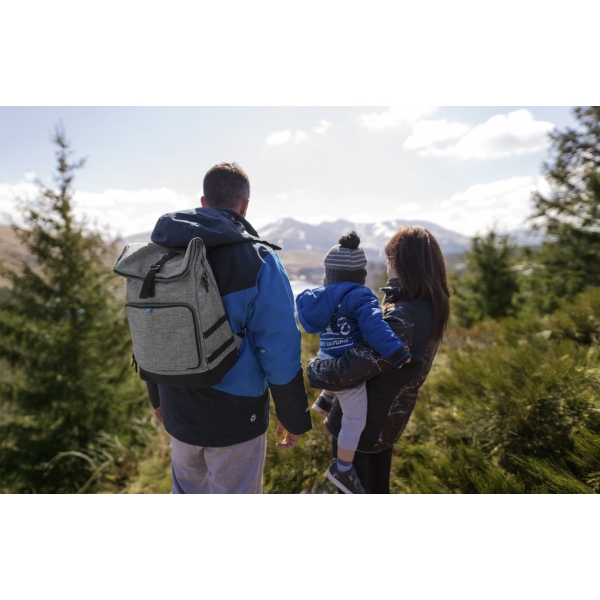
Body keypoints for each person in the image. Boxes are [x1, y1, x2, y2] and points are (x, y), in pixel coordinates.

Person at [145, 162, 312, 494]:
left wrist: (157, 397)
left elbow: (149, 327)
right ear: (244, 205)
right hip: (235, 416)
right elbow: (277, 346)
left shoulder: (162, 254)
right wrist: (293, 416)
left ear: (204, 202)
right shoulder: (259, 259)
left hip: (176, 405)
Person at [307, 225, 450, 494]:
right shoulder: (427, 306)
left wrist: (313, 369)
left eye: (389, 259)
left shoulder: (402, 316)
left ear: (401, 263)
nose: (386, 266)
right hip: (386, 422)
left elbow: (349, 370)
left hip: (363, 427)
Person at [296, 232, 411, 494]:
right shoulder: (362, 297)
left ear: (329, 274)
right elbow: (375, 329)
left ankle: (325, 399)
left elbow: (310, 326)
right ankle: (343, 468)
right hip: (348, 371)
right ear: (361, 275)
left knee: (340, 377)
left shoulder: (319, 298)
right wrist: (397, 353)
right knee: (355, 418)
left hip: (327, 358)